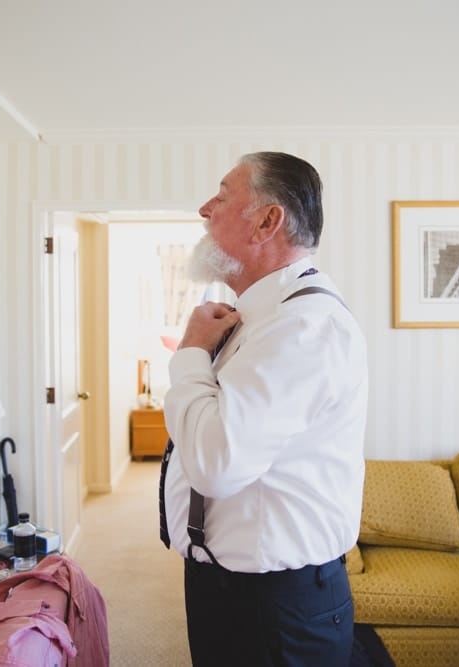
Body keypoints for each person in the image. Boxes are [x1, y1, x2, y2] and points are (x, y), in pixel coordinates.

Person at [158, 151, 368, 666]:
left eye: (223, 195)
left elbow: (216, 463)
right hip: (237, 591)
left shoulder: (302, 326)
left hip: (273, 606)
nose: (205, 209)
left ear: (268, 221)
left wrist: (189, 353)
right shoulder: (263, 319)